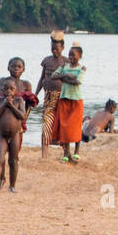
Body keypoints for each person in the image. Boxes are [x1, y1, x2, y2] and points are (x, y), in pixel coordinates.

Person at [0, 75, 27, 193]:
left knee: (13, 160)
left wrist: (11, 106)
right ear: (2, 90)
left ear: (16, 90)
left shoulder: (18, 101)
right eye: (6, 89)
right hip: (2, 135)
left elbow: (22, 116)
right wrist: (4, 105)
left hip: (15, 134)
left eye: (11, 89)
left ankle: (12, 186)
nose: (8, 91)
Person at [50, 43, 86, 162]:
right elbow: (53, 76)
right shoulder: (64, 66)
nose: (71, 57)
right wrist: (66, 74)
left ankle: (76, 151)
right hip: (64, 99)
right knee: (64, 127)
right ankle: (66, 152)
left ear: (79, 56)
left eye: (73, 55)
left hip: (76, 100)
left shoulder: (82, 68)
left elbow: (77, 82)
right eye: (69, 55)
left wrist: (63, 78)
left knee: (76, 126)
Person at [35, 30, 67, 160]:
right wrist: (35, 94)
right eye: (52, 48)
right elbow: (41, 79)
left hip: (62, 97)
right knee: (46, 124)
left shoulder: (66, 62)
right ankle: (44, 156)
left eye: (57, 48)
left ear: (62, 48)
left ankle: (66, 152)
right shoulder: (46, 61)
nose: (54, 50)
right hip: (48, 97)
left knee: (62, 125)